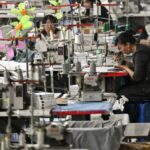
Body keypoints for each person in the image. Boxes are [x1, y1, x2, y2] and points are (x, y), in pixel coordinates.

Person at [115, 31, 150, 98]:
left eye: (121, 47)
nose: (121, 50)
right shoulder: (140, 48)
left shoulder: (140, 54)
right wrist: (126, 63)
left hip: (147, 86)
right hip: (146, 81)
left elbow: (136, 78)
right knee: (123, 87)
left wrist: (126, 68)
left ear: (127, 44)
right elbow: (141, 67)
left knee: (119, 93)